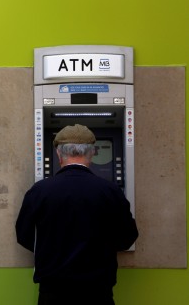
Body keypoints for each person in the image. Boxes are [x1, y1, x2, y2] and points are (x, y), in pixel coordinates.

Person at [16, 124, 138, 305]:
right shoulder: (110, 191)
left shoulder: (40, 191)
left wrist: (51, 251)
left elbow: (24, 235)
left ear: (58, 154)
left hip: (53, 290)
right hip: (98, 291)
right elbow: (127, 237)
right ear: (92, 154)